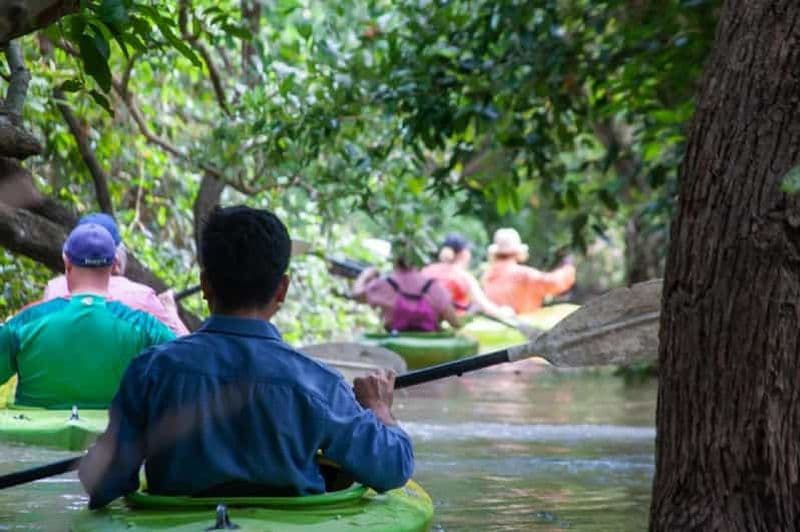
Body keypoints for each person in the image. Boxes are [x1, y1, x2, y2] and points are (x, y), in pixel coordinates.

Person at [79, 206, 413, 508]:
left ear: (205, 285)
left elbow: (104, 485)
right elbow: (392, 469)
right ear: (282, 290)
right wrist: (379, 410)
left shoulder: (150, 371)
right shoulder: (319, 383)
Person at [0, 224, 175, 409]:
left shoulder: (26, 323)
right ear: (114, 264)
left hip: (33, 436)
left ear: (66, 262)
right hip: (117, 435)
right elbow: (185, 372)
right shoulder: (145, 327)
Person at [43, 213, 189, 336]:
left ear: (68, 260)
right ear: (116, 261)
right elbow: (189, 352)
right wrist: (170, 311)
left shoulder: (53, 290)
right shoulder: (141, 297)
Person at [352, 240, 460, 332]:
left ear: (393, 258)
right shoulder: (432, 286)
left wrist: (365, 275)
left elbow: (357, 295)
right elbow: (454, 322)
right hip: (428, 345)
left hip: (394, 340)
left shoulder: (385, 284)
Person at [481, 228, 576, 314]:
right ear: (517, 252)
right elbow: (554, 283)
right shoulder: (524, 275)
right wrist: (568, 268)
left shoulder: (488, 276)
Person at [422, 233, 515, 321]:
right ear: (464, 254)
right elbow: (486, 307)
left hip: (424, 321)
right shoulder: (463, 277)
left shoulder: (426, 270)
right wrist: (505, 312)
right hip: (451, 326)